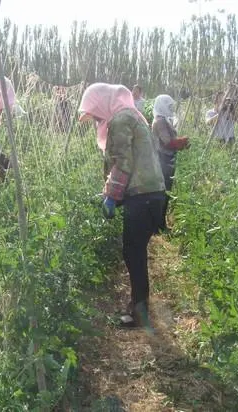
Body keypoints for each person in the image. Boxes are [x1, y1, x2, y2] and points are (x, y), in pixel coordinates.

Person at [78, 82, 166, 329]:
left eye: (95, 114)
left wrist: (111, 196)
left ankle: (139, 313)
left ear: (102, 104)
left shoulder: (120, 120)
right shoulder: (132, 115)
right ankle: (140, 307)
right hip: (152, 194)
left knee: (133, 253)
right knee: (136, 252)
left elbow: (123, 164)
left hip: (142, 196)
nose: (96, 119)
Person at [151, 94, 190, 230]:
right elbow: (167, 142)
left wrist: (181, 144)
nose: (171, 108)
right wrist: (181, 142)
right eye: (168, 106)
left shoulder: (163, 120)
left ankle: (159, 224)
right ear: (162, 106)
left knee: (164, 192)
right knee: (163, 192)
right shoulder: (160, 122)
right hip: (163, 160)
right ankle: (158, 225)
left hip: (166, 159)